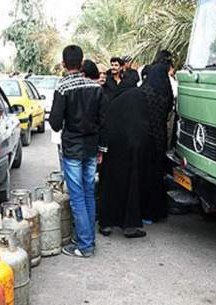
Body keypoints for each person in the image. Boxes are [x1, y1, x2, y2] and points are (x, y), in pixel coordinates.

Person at [98, 61, 174, 238]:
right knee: (131, 186)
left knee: (109, 184)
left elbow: (105, 121)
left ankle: (106, 223)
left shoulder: (114, 95)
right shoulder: (140, 96)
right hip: (133, 146)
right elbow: (145, 124)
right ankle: (129, 225)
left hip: (112, 146)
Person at [49, 45, 107, 258]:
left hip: (73, 149)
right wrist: (101, 148)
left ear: (64, 65)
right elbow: (104, 121)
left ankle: (84, 245)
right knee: (89, 193)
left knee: (77, 197)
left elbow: (55, 123)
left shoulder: (62, 88)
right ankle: (87, 239)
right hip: (91, 147)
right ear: (82, 63)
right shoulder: (96, 88)